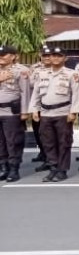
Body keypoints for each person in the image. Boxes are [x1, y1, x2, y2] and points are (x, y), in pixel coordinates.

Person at [29, 45, 79, 183]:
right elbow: (36, 93)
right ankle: (53, 167)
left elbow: (76, 94)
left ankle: (62, 170)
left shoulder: (71, 74)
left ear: (65, 58)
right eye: (53, 55)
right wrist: (34, 109)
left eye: (59, 56)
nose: (55, 58)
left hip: (63, 112)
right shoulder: (41, 74)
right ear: (49, 57)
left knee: (64, 142)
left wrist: (73, 112)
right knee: (48, 142)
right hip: (46, 113)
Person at [0, 44, 32, 182]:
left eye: (4, 54)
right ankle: (3, 167)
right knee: (0, 142)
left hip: (11, 112)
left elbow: (25, 92)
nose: (1, 57)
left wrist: (25, 111)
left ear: (13, 56)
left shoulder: (21, 70)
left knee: (13, 141)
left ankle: (14, 169)